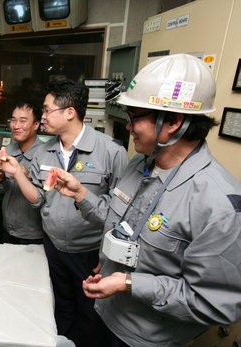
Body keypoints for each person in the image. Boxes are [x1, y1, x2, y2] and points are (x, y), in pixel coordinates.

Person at [55, 54, 241, 346]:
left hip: (144, 339)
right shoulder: (139, 164)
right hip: (104, 314)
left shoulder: (219, 204)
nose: (128, 128)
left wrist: (129, 283)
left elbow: (214, 303)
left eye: (134, 118)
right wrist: (81, 194)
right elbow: (121, 224)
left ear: (173, 121)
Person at [0, 79, 128, 346]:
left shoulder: (111, 152)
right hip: (53, 247)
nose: (42, 116)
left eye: (46, 110)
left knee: (91, 315)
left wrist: (108, 256)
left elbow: (122, 215)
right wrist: (15, 173)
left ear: (69, 112)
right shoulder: (45, 151)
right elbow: (37, 199)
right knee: (60, 307)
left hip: (89, 253)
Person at [0, 101, 44, 244]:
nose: (16, 126)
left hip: (33, 232)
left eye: (23, 121)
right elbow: (1, 190)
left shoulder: (45, 154)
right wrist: (0, 179)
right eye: (13, 120)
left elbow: (46, 198)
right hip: (8, 227)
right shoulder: (9, 150)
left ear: (36, 125)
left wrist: (26, 176)